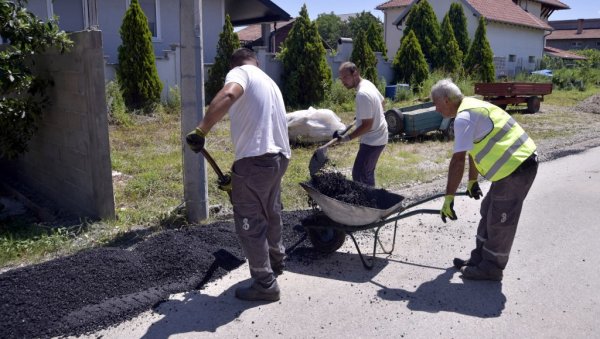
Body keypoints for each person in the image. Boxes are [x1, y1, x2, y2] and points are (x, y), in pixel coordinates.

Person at [185, 48, 291, 301]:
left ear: (234, 64)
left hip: (256, 159)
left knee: (249, 221)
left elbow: (230, 93)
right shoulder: (268, 81)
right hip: (279, 158)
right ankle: (277, 262)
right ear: (256, 60)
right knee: (271, 210)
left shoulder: (240, 72)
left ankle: (265, 283)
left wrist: (201, 131)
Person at [430, 79, 538, 281]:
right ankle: (479, 259)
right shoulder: (471, 105)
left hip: (518, 167)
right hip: (511, 168)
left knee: (500, 219)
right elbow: (474, 149)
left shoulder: (464, 117)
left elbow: (457, 161)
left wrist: (449, 197)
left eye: (436, 103)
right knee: (488, 210)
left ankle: (492, 267)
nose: (435, 109)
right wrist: (472, 181)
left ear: (446, 100)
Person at [335, 62, 388, 187]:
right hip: (380, 136)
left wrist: (347, 138)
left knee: (360, 175)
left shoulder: (362, 94)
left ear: (355, 73)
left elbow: (367, 125)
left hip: (373, 140)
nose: (343, 82)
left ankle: (369, 203)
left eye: (345, 78)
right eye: (341, 78)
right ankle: (372, 202)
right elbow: (383, 102)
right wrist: (365, 114)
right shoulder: (368, 84)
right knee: (366, 173)